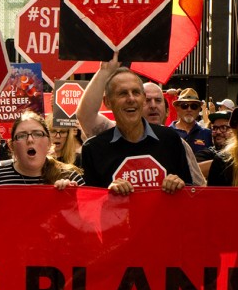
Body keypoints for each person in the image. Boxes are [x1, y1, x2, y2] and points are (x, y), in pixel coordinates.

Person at [80, 67, 199, 195]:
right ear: (108, 102)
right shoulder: (94, 149)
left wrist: (179, 185)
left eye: (136, 92)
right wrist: (108, 195)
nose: (131, 99)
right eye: (123, 93)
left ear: (143, 98)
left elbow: (191, 194)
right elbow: (90, 205)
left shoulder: (170, 139)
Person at [0, 111, 83, 189]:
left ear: (49, 143)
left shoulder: (70, 177)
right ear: (12, 146)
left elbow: (88, 213)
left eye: (37, 134)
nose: (30, 139)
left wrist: (72, 195)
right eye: (22, 136)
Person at [170, 88, 213, 160]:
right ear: (177, 108)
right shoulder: (168, 133)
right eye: (184, 106)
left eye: (194, 106)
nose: (189, 109)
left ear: (199, 109)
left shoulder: (207, 134)